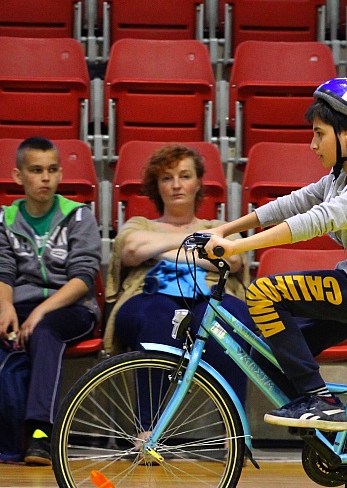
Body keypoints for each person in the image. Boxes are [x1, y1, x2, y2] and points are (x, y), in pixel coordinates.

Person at [203, 77, 347, 432]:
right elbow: (295, 203)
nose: (312, 144)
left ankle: (319, 402)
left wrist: (237, 246)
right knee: (269, 352)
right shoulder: (343, 175)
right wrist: (225, 229)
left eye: (319, 134)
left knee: (263, 292)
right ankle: (346, 439)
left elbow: (317, 220)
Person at [0, 137, 102, 467]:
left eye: (52, 170)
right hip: (19, 305)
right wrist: (6, 308)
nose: (45, 178)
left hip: (71, 308)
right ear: (18, 176)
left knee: (44, 332)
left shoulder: (79, 217)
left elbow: (84, 277)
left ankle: (39, 434)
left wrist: (39, 312)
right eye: (36, 171)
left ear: (61, 174)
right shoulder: (2, 222)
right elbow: (0, 271)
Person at [106, 144, 252, 404]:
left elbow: (232, 259)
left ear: (197, 184)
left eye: (185, 176)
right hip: (148, 294)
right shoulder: (140, 224)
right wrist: (197, 243)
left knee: (225, 321)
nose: (176, 185)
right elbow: (130, 250)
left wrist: (159, 249)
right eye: (166, 178)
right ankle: (148, 430)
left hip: (211, 295)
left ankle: (236, 434)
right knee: (160, 317)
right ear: (157, 186)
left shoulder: (218, 226)